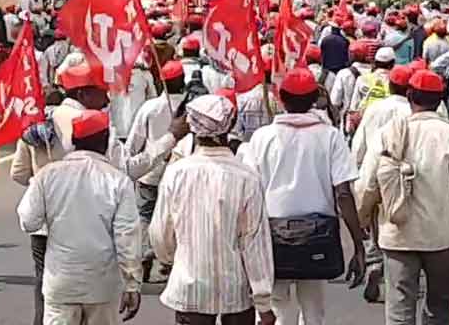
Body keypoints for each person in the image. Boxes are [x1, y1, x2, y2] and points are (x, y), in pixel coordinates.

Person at [357, 70, 449, 325]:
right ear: (440, 101)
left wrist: (362, 220)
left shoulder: (387, 133)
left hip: (397, 236)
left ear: (409, 96)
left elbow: (366, 185)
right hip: (441, 238)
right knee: (439, 307)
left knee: (399, 309)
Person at [245, 68, 365, 325]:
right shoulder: (330, 136)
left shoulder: (261, 138)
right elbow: (343, 193)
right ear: (314, 98)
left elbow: (250, 192)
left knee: (275, 309)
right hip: (317, 237)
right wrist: (358, 243)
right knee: (313, 310)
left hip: (272, 235)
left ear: (281, 97)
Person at [150, 95, 276, 325]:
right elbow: (254, 244)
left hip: (189, 285)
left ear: (193, 128)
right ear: (229, 126)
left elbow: (160, 233)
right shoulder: (246, 177)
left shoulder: (175, 173)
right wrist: (264, 302)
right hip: (235, 289)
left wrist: (175, 259)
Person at [17, 110, 142, 325]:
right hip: (102, 285)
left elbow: (29, 222)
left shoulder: (47, 175)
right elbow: (127, 237)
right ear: (105, 142)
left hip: (61, 283)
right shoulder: (118, 181)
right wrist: (132, 284)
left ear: (74, 141)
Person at [351, 65, 413, 303]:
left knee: (372, 219)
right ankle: (391, 272)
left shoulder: (375, 108)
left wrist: (356, 170)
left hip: (373, 170)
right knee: (395, 226)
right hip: (401, 179)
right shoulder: (411, 112)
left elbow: (359, 145)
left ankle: (375, 262)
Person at [125, 60, 186, 282]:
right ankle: (171, 261)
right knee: (177, 219)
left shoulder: (150, 108)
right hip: (180, 174)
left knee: (145, 216)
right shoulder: (191, 109)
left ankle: (145, 256)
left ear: (162, 82)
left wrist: (129, 164)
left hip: (150, 172)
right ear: (183, 81)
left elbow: (134, 142)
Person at [330, 40, 372, 134]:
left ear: (351, 55)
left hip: (348, 121)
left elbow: (335, 101)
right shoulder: (373, 73)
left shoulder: (344, 73)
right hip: (369, 119)